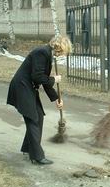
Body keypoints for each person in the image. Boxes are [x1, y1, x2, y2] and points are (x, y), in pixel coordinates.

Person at [7, 35, 72, 165]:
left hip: (28, 88)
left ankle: (28, 148)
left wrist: (57, 99)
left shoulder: (47, 54)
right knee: (33, 118)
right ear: (60, 48)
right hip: (22, 87)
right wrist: (54, 79)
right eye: (64, 53)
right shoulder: (42, 52)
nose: (62, 56)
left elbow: (43, 80)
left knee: (38, 116)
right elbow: (37, 77)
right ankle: (37, 156)